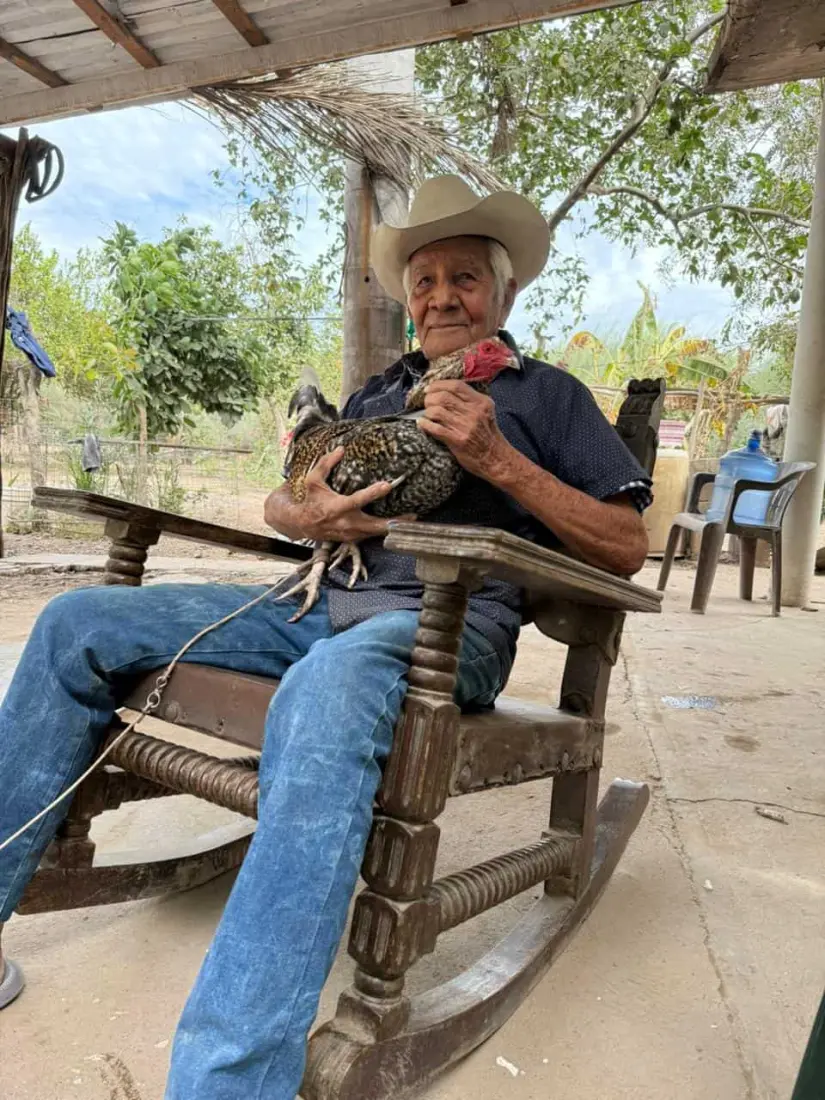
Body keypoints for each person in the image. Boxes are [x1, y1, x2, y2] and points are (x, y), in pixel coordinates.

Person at [0, 175, 651, 1098]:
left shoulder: (546, 396)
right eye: (423, 282)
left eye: (464, 278)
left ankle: (228, 1081)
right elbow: (284, 504)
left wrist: (497, 461)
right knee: (76, 620)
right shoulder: (376, 391)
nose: (439, 297)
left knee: (329, 690)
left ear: (504, 297)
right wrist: (303, 512)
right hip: (308, 603)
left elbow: (627, 544)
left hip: (439, 626)